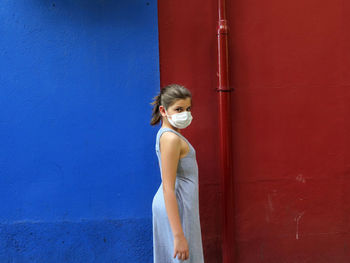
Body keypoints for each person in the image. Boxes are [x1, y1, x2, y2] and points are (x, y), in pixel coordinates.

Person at [150, 84, 204, 262]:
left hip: (179, 205)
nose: (185, 114)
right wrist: (178, 235)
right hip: (176, 205)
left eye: (188, 109)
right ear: (163, 110)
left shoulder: (170, 135)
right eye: (179, 109)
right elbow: (168, 188)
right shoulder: (171, 138)